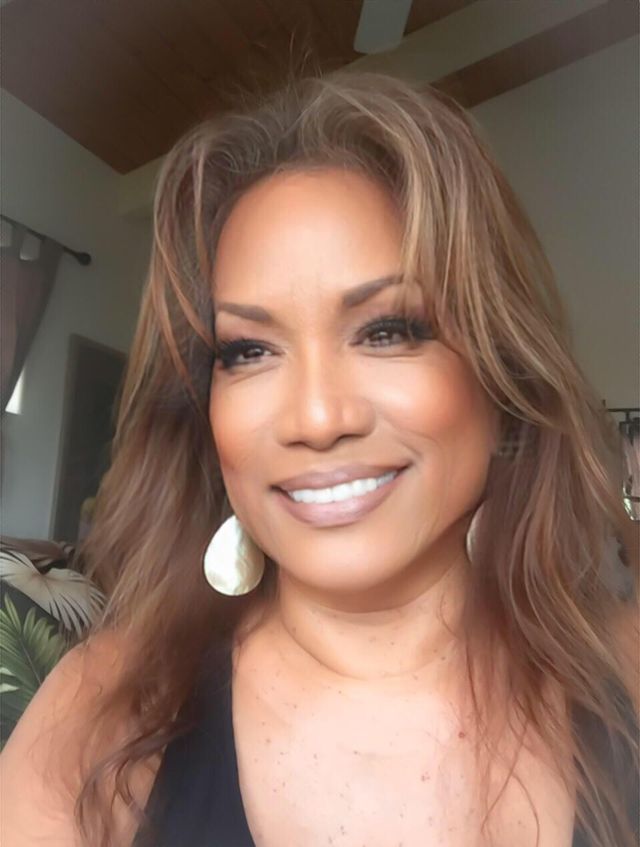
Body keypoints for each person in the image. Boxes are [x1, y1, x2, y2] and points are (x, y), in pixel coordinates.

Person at [1, 72, 637, 847]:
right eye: (248, 350)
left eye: (387, 330)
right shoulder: (100, 715)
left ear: (498, 373)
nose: (316, 417)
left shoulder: (626, 671)